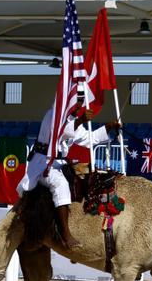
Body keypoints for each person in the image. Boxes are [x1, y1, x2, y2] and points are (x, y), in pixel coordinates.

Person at [17, 101, 119, 249]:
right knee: (60, 184)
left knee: (88, 178)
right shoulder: (52, 114)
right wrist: (80, 121)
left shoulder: (72, 121)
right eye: (76, 102)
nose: (78, 105)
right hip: (42, 163)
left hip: (60, 163)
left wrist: (109, 127)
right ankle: (65, 234)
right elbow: (60, 132)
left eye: (79, 102)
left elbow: (90, 138)